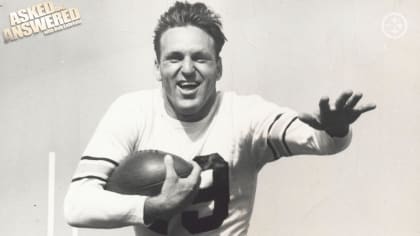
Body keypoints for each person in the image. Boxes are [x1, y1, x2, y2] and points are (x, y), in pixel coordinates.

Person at [64, 1, 376, 235]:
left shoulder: (245, 115)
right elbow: (77, 205)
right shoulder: (132, 111)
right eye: (174, 58)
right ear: (158, 68)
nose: (187, 69)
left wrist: (336, 130)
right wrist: (151, 207)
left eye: (200, 57)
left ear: (219, 68)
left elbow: (321, 141)